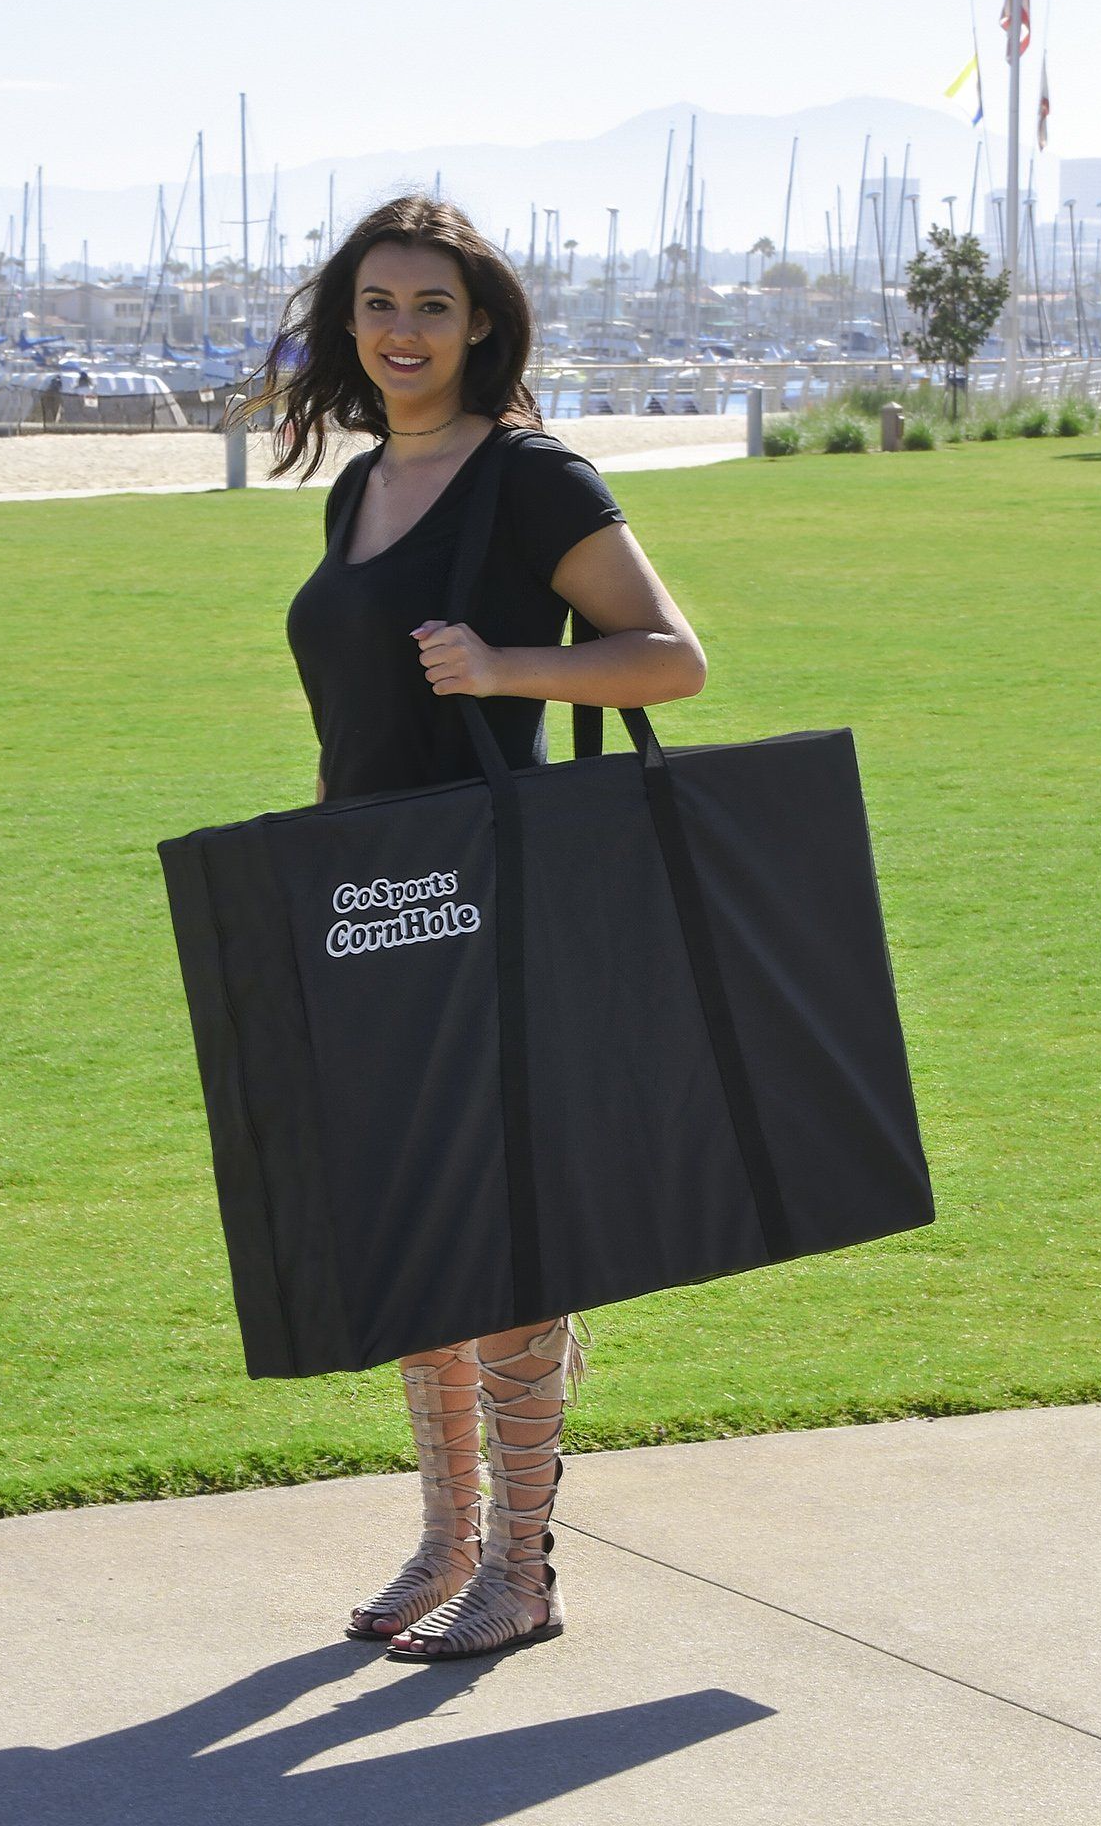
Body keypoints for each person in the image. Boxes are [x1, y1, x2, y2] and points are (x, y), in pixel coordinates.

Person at [243, 193, 707, 1662]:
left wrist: (507, 665)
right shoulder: (359, 486)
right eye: (378, 304)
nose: (402, 331)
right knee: (414, 1229)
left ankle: (524, 1568)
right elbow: (354, 715)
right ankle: (445, 1540)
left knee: (506, 1238)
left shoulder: (534, 481)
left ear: (482, 324)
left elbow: (672, 661)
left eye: (432, 307)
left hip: (499, 895)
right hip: (374, 900)